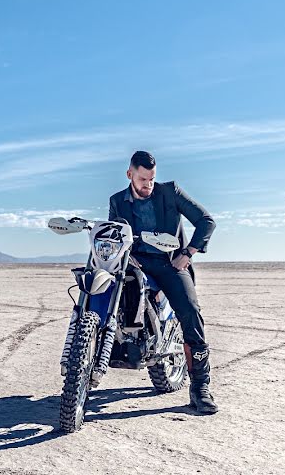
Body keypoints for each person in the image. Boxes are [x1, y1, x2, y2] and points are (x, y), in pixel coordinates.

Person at [109, 151, 218, 414]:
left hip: (170, 264)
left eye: (151, 179)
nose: (148, 185)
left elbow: (206, 221)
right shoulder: (117, 201)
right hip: (134, 263)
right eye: (143, 179)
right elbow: (115, 234)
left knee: (191, 312)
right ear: (130, 174)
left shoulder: (170, 192)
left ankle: (200, 388)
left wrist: (188, 252)